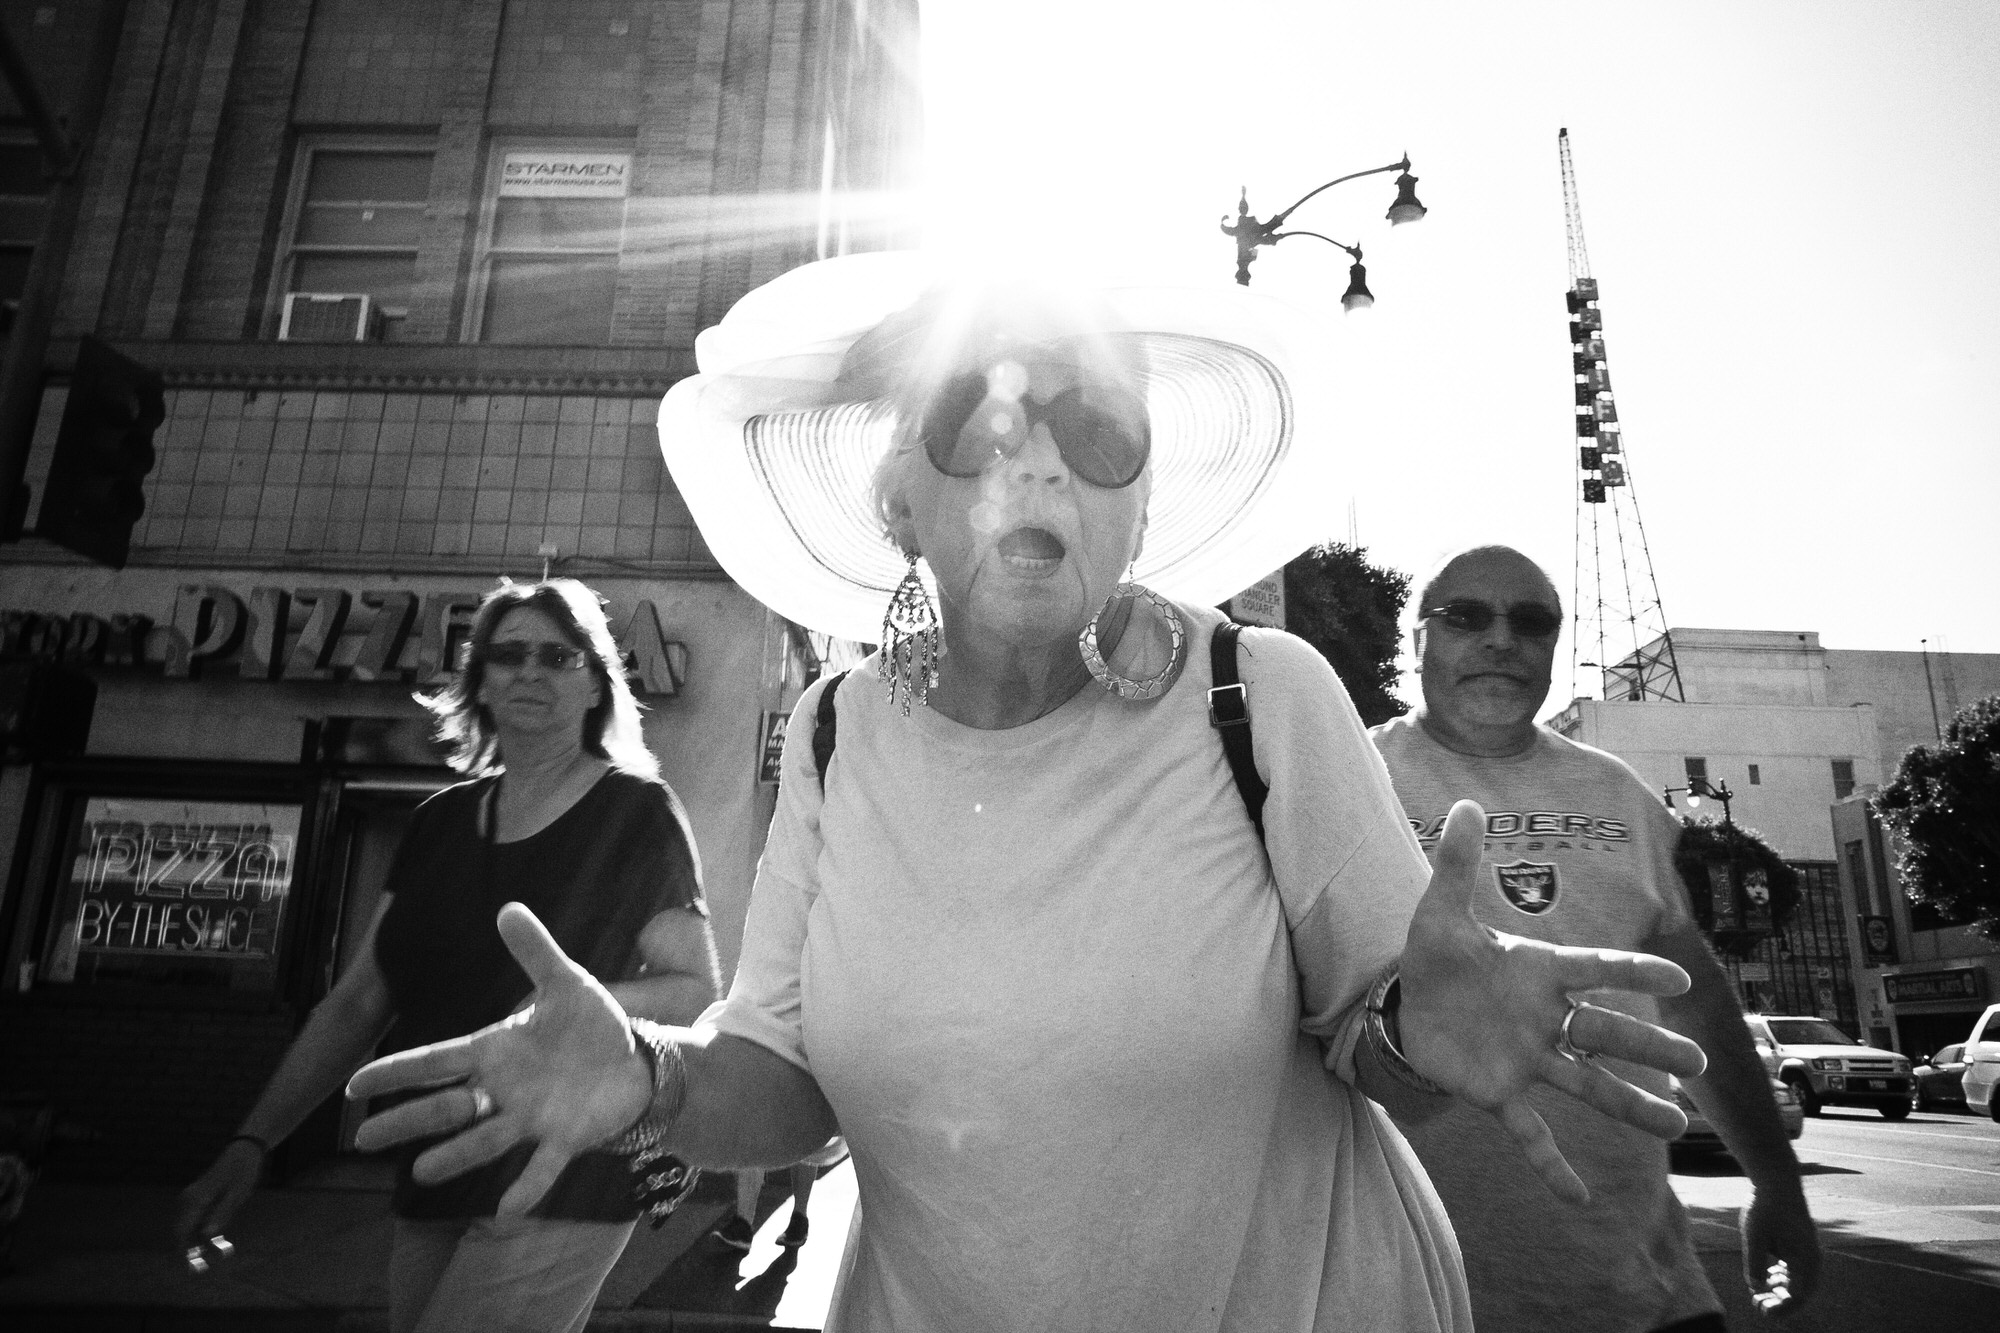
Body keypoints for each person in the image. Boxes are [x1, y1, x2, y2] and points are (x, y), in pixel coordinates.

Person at [344, 255, 1709, 1333]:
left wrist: (1424, 1028)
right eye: (979, 414)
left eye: (1096, 427)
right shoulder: (832, 734)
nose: (1037, 456)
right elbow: (784, 1079)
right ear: (902, 502)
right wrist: (648, 1079)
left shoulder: (1261, 695)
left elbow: (1377, 1041)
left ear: (1135, 506)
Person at [174, 578, 721, 1333]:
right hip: (435, 1162)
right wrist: (253, 1138)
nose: (531, 670)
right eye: (509, 654)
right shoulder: (438, 823)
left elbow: (695, 989)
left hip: (560, 1167)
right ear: (480, 682)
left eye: (558, 655)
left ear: (595, 680)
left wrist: (570, 1012)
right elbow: (360, 1000)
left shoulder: (635, 810)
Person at [1369, 545, 1822, 1332]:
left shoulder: (1622, 795)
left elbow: (1699, 1006)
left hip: (1644, 1298)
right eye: (1466, 616)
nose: (1501, 638)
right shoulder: (1351, 779)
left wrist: (1777, 1184)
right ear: (1417, 644)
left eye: (1532, 620)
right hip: (1412, 1300)